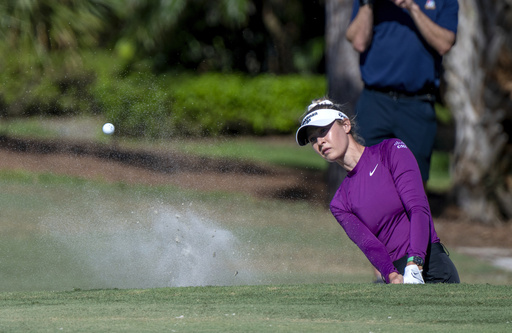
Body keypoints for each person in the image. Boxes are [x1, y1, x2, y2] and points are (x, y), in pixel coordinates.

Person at [296, 98, 459, 284]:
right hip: (398, 276)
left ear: (346, 125)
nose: (320, 142)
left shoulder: (391, 151)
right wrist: (391, 275)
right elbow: (369, 244)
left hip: (431, 264)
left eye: (323, 130)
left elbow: (418, 207)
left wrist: (415, 263)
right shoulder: (339, 202)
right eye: (312, 139)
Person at [345, 0, 459, 184]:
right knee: (365, 181)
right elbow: (358, 41)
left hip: (417, 106)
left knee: (413, 187)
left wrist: (412, 6)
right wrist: (368, 4)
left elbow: (444, 43)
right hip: (375, 103)